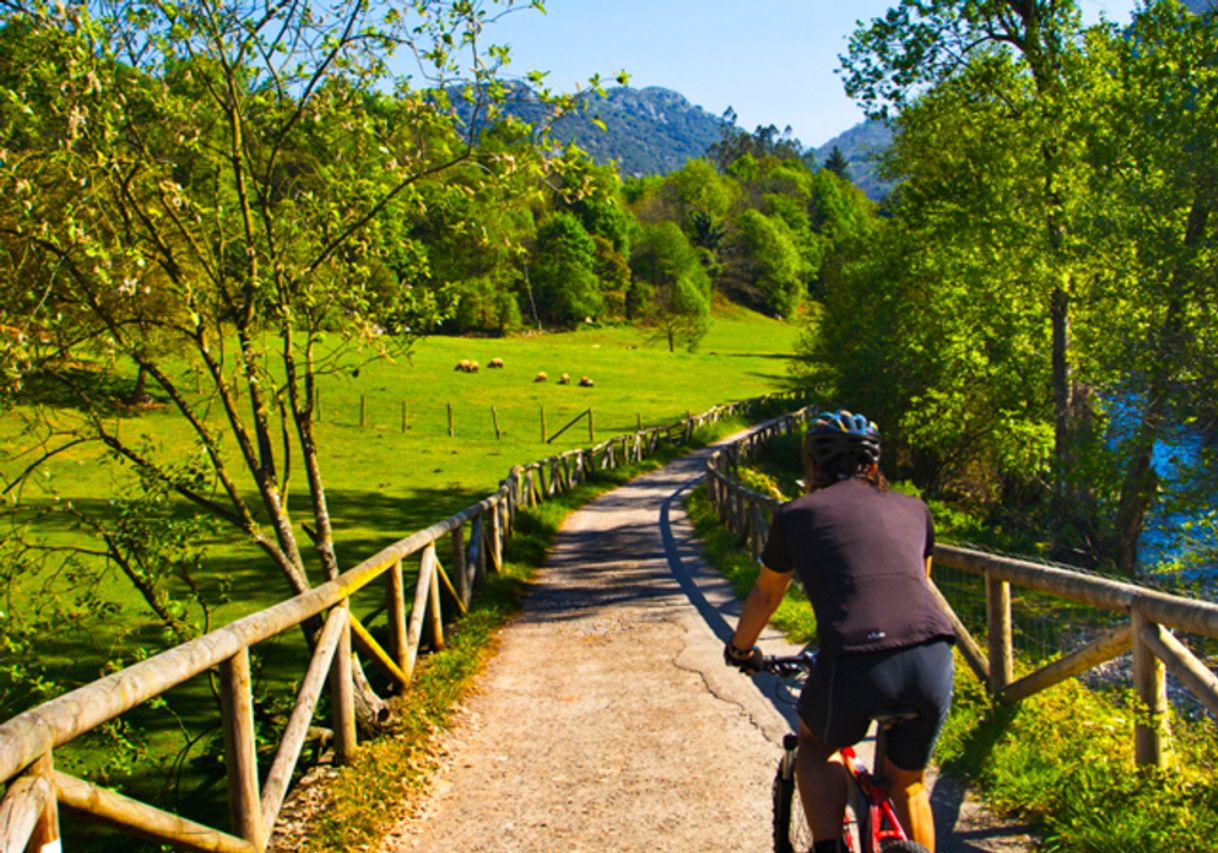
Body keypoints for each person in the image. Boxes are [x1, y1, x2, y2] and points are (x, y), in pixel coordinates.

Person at [724, 409, 955, 853]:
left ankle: (829, 846)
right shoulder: (915, 509)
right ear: (874, 462)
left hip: (854, 659)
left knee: (815, 746)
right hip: (931, 655)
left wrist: (741, 650)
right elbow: (919, 583)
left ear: (812, 464)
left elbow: (766, 595)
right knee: (908, 784)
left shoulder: (796, 515)